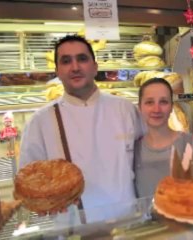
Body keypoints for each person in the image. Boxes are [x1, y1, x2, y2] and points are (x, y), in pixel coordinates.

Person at [19, 35, 144, 222]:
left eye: (82, 59)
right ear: (58, 71)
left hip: (129, 224)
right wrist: (40, 203)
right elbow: (27, 182)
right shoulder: (40, 121)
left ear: (95, 67)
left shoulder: (125, 108)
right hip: (74, 230)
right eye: (66, 61)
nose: (75, 67)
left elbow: (146, 160)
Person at [134, 78, 193, 197]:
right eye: (149, 102)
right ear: (140, 108)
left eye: (163, 102)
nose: (156, 109)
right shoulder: (133, 149)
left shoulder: (190, 144)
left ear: (171, 107)